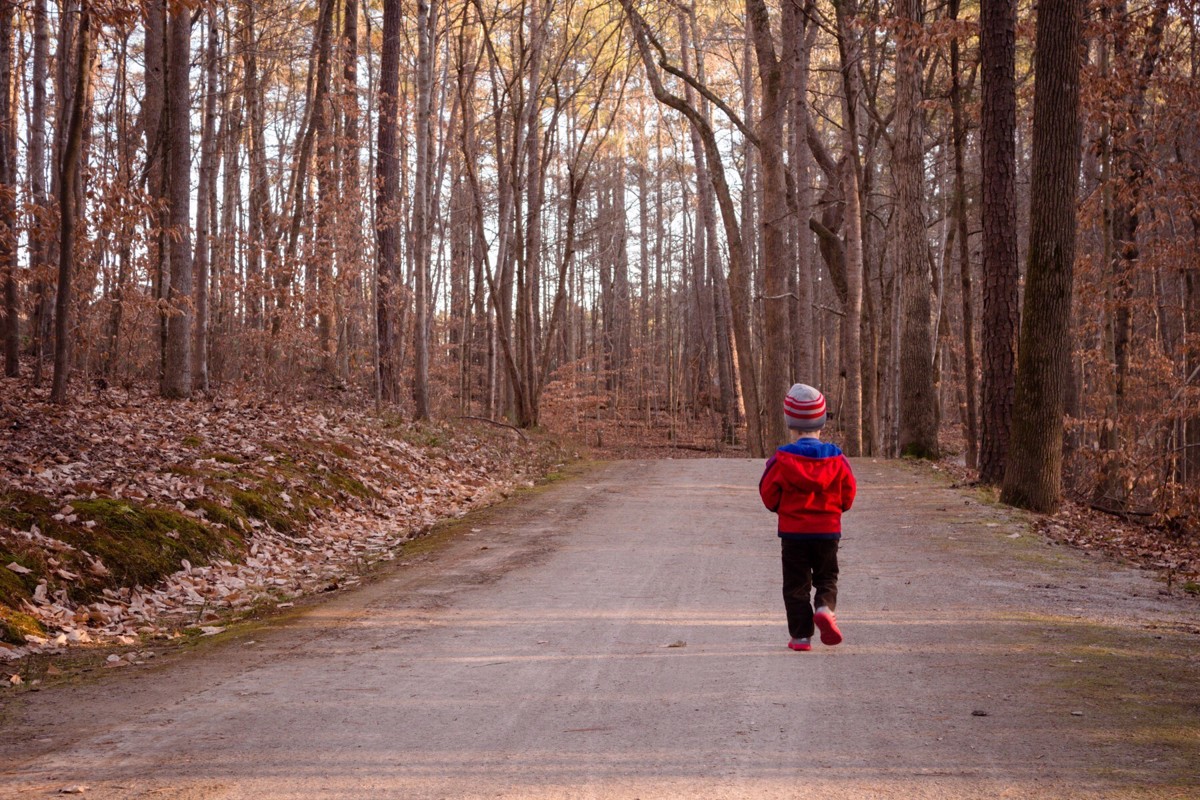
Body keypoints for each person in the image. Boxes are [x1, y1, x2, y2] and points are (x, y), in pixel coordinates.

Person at [758, 383, 857, 652]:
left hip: (793, 533)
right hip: (827, 531)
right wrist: (836, 509)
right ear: (822, 422)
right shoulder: (837, 459)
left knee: (795, 585)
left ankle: (801, 637)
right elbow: (849, 492)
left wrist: (783, 508)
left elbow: (767, 493)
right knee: (826, 577)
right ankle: (825, 607)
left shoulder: (781, 460)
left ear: (790, 422)